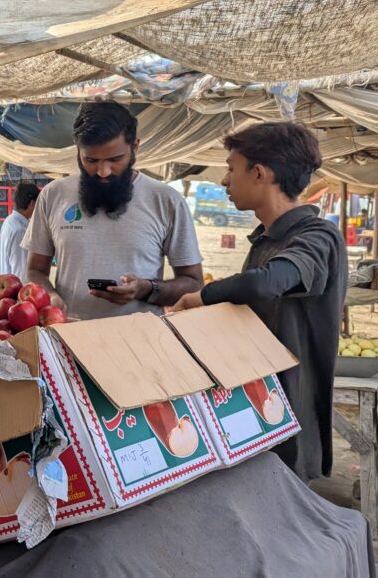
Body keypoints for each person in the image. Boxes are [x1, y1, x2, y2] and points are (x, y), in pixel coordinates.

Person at [173, 122, 345, 482]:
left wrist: (203, 296)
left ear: (259, 173)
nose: (224, 181)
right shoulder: (265, 241)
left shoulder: (318, 237)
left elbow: (268, 284)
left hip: (290, 413)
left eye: (231, 169)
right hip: (257, 407)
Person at [22, 102, 203, 318]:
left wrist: (146, 289)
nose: (103, 171)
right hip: (68, 337)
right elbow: (35, 270)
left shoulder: (166, 201)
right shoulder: (53, 195)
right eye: (91, 160)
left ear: (135, 146)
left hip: (139, 340)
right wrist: (49, 295)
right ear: (77, 149)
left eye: (115, 159)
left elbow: (193, 283)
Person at [0, 182, 39, 284]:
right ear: (32, 203)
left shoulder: (10, 220)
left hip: (4, 287)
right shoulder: (20, 231)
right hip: (13, 293)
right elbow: (20, 273)